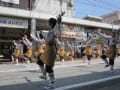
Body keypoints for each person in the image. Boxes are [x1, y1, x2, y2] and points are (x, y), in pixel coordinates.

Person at [37, 17, 58, 89]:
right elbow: (44, 33)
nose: (47, 24)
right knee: (39, 61)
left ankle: (52, 84)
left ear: (51, 24)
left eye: (48, 22)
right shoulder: (50, 31)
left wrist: (59, 19)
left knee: (48, 68)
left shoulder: (54, 31)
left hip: (51, 51)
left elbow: (57, 25)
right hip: (47, 50)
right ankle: (44, 75)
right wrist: (40, 32)